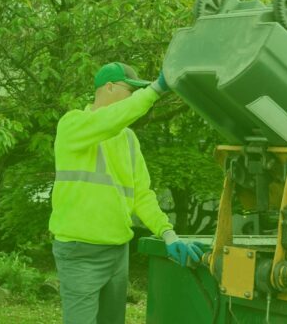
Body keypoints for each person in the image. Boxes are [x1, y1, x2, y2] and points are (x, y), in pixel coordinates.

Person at [49, 62, 203, 324]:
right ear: (108, 87)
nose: (133, 97)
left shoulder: (128, 139)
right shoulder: (72, 124)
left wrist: (168, 234)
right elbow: (110, 119)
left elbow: (142, 195)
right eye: (130, 90)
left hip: (117, 252)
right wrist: (155, 90)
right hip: (79, 251)